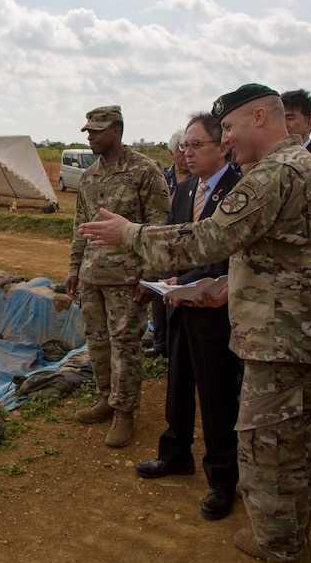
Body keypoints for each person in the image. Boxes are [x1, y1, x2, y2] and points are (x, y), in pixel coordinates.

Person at [79, 83, 311, 563]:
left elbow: (210, 237)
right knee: (295, 454)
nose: (226, 140)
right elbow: (278, 257)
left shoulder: (274, 175)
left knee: (269, 459)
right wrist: (228, 284)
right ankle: (292, 548)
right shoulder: (304, 169)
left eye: (229, 128)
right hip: (298, 335)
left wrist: (129, 234)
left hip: (281, 343)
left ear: (260, 118)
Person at [134, 113, 243, 522]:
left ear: (223, 147)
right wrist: (162, 282)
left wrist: (186, 280)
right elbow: (175, 245)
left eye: (197, 145)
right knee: (177, 385)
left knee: (216, 396)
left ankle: (222, 478)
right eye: (185, 146)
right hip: (179, 304)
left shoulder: (239, 192)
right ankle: (175, 454)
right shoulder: (185, 189)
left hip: (214, 307)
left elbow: (224, 252)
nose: (186, 153)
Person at [66, 105, 170, 448]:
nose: (91, 136)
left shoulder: (145, 171)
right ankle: (105, 399)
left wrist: (150, 276)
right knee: (96, 340)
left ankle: (125, 412)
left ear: (118, 130)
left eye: (98, 130)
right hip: (93, 276)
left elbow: (158, 227)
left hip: (127, 279)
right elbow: (81, 227)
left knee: (125, 345)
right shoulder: (89, 175)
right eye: (88, 130)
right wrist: (74, 270)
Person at [149, 128, 192, 358]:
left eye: (189, 150)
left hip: (187, 244)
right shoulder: (163, 177)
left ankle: (177, 343)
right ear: (171, 153)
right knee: (160, 293)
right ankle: (160, 343)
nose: (186, 156)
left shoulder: (197, 180)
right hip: (163, 243)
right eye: (181, 151)